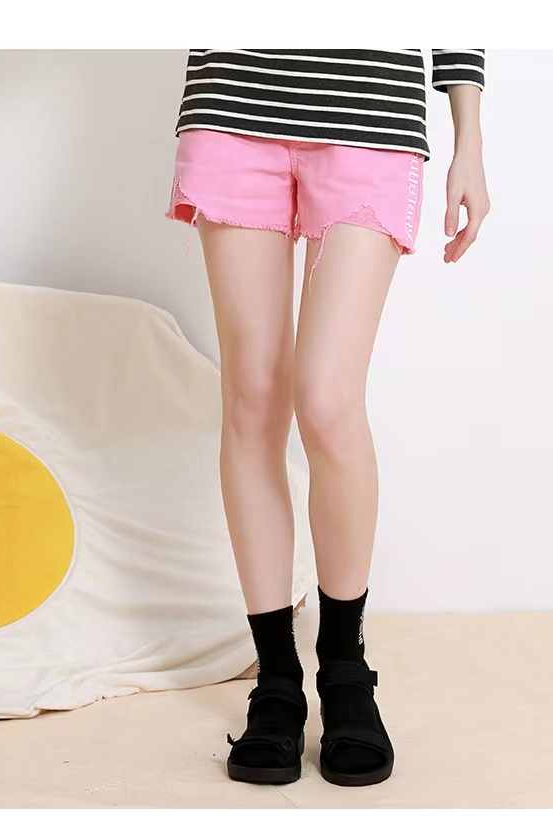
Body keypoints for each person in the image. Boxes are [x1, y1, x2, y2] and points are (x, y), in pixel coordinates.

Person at [165, 48, 489, 787]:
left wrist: (468, 136)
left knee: (327, 399)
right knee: (253, 396)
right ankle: (277, 678)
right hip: (233, 100)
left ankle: (344, 667)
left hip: (370, 109)